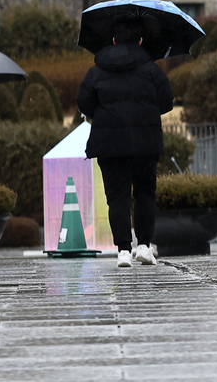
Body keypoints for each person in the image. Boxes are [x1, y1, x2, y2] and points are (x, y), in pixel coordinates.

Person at [77, 15, 174, 268]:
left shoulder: (96, 71)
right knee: (144, 193)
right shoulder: (152, 70)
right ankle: (143, 245)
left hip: (109, 144)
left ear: (112, 40)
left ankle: (122, 249)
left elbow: (85, 104)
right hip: (145, 141)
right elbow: (166, 102)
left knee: (117, 198)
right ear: (141, 40)